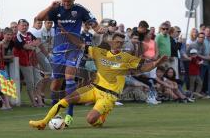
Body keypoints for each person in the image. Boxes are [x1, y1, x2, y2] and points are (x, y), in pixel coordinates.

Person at [29, 32, 167, 129]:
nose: (119, 44)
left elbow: (143, 68)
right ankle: (43, 122)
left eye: (121, 42)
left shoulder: (126, 57)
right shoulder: (99, 52)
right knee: (66, 100)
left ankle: (102, 117)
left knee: (91, 120)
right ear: (112, 41)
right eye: (117, 41)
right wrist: (66, 33)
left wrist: (156, 63)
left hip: (108, 96)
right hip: (93, 88)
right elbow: (81, 45)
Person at [34, 0, 106, 126]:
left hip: (75, 48)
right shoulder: (56, 9)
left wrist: (99, 29)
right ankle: (55, 112)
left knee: (69, 77)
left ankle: (70, 114)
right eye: (64, 1)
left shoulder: (80, 10)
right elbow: (39, 18)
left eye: (68, 1)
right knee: (56, 83)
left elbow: (94, 24)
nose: (66, 4)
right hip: (58, 50)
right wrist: (50, 7)